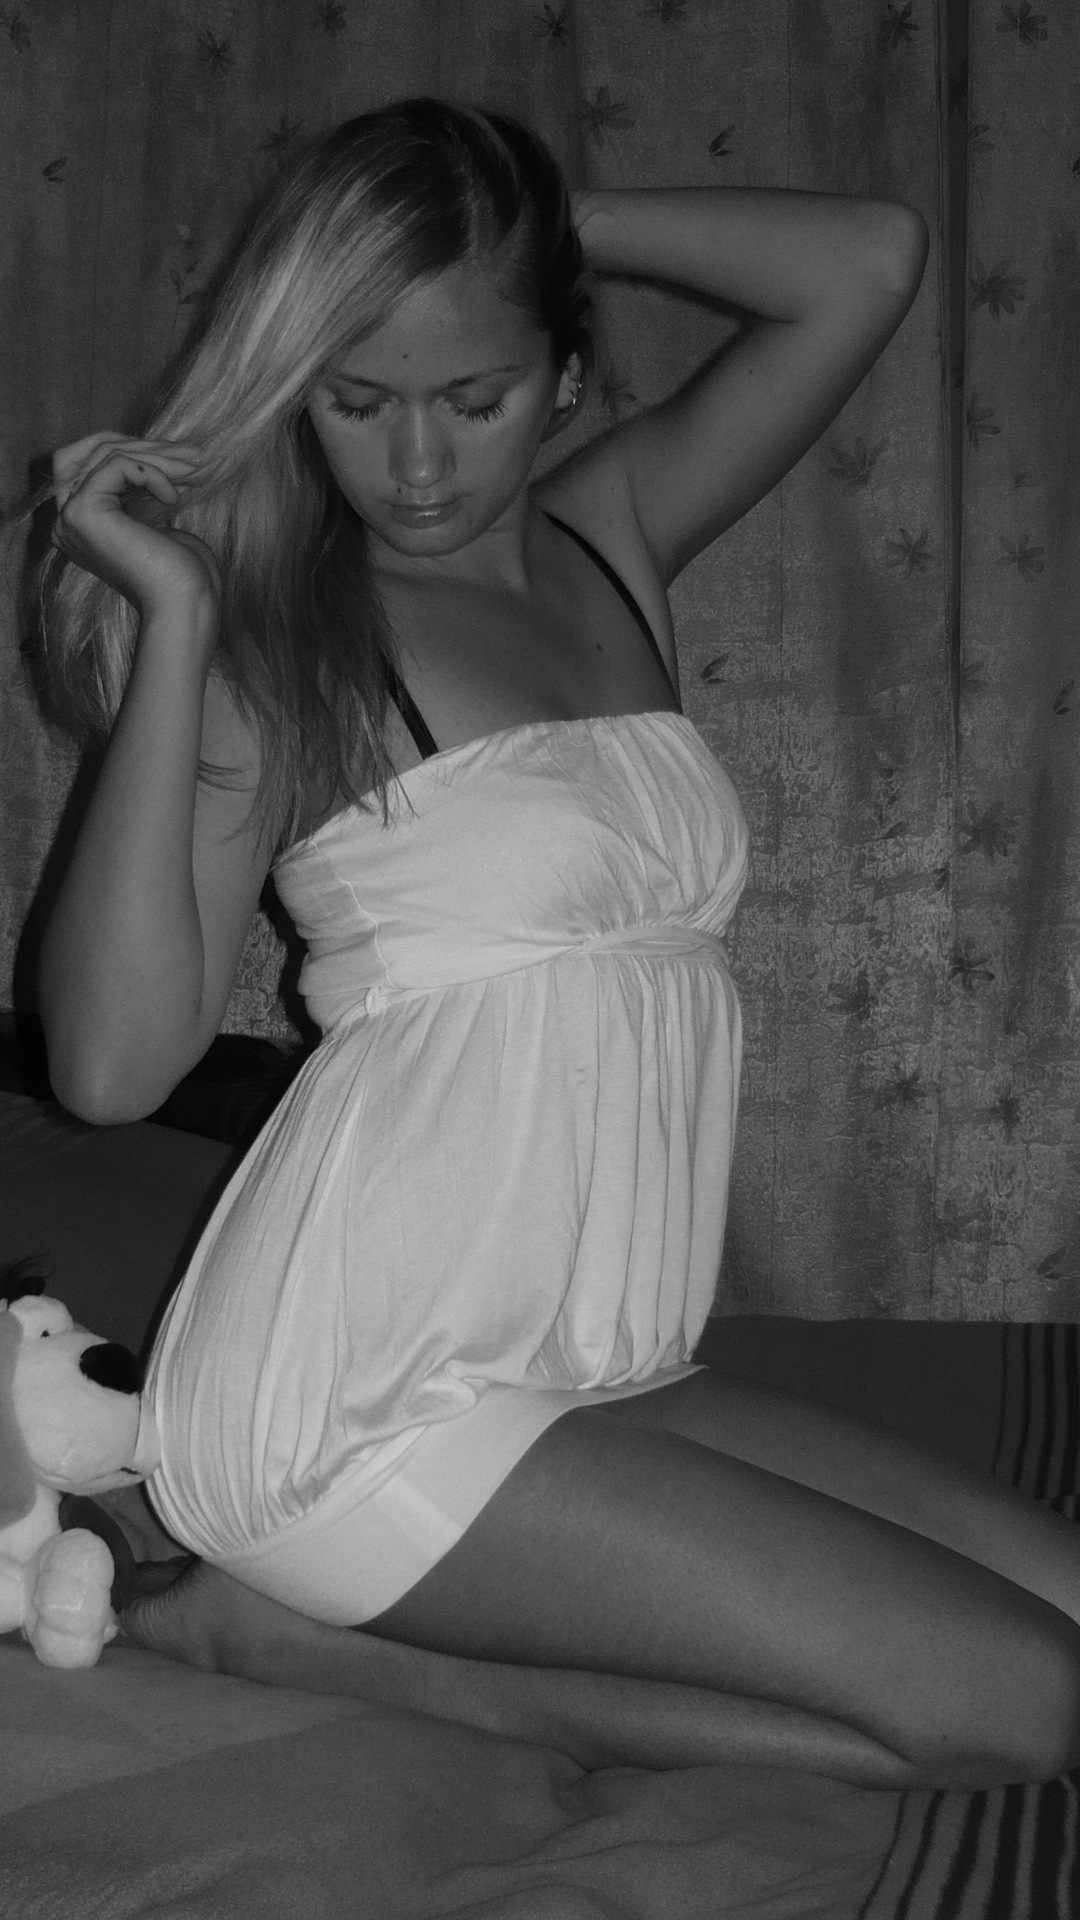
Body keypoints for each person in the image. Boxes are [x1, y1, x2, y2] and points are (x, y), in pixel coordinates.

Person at [24, 97, 1080, 1792]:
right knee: (1034, 1700)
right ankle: (292, 1637)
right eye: (355, 400)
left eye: (476, 396)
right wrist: (176, 620)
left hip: (592, 1366)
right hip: (363, 1402)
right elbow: (105, 1066)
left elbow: (870, 260)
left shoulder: (611, 534)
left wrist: (514, 219)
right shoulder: (284, 644)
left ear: (567, 371)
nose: (416, 466)